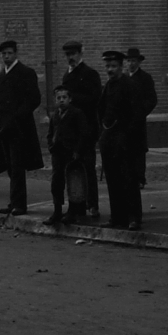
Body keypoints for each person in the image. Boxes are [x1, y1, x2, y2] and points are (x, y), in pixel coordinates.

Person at [0, 38, 43, 217]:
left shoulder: (26, 72)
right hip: (3, 127)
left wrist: (17, 117)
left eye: (9, 53)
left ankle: (20, 204)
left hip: (19, 128)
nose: (6, 56)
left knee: (18, 166)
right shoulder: (2, 74)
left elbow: (34, 99)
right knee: (10, 166)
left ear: (16, 54)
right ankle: (14, 202)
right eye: (3, 54)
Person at [59, 41, 102, 221]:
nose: (70, 58)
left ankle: (92, 204)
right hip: (71, 132)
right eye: (68, 55)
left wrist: (72, 99)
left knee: (87, 168)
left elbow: (95, 99)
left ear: (80, 53)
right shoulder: (66, 76)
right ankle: (77, 205)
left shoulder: (90, 74)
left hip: (87, 129)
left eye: (73, 54)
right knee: (72, 170)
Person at [98, 50, 141, 229]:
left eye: (113, 66)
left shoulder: (129, 85)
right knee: (113, 179)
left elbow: (136, 114)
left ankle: (133, 218)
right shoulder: (108, 86)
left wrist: (126, 136)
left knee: (129, 179)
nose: (110, 70)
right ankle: (117, 217)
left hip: (125, 140)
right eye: (107, 66)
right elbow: (102, 111)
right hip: (110, 140)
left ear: (121, 67)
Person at [47, 85, 95, 227]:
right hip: (58, 152)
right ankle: (57, 210)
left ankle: (73, 211)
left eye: (64, 97)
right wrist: (51, 145)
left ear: (70, 99)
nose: (61, 100)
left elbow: (83, 133)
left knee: (73, 182)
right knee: (57, 181)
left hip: (70, 153)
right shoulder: (55, 115)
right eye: (58, 98)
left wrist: (77, 151)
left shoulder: (76, 113)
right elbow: (51, 132)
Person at [124, 46, 158, 190]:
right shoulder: (123, 78)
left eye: (134, 61)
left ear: (139, 62)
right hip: (125, 121)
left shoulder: (145, 78)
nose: (131, 64)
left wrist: (140, 112)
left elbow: (152, 99)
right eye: (129, 61)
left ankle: (140, 178)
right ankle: (128, 178)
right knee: (126, 150)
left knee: (138, 150)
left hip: (137, 121)